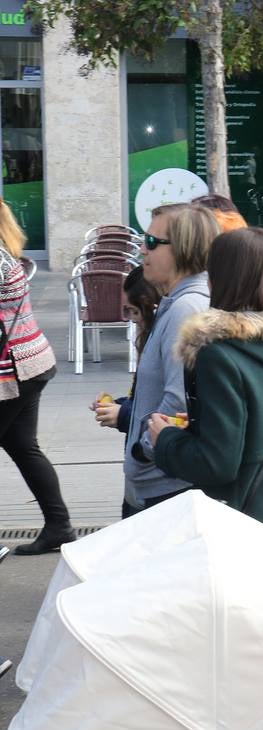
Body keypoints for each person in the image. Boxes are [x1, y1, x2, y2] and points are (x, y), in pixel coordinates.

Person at [147, 228, 263, 551]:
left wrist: (165, 440)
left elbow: (217, 463)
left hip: (254, 534)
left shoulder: (220, 355)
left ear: (221, 280)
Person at [123, 204, 218, 511]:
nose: (142, 250)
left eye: (151, 242)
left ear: (183, 249)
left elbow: (178, 401)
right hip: (160, 478)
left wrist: (143, 450)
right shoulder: (175, 302)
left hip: (167, 486)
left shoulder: (185, 309)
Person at [0, 200, 76, 555]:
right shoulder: (6, 254)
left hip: (15, 371)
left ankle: (59, 525)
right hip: (33, 362)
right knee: (22, 446)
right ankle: (59, 526)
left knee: (24, 447)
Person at [89, 266, 161, 518]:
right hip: (141, 468)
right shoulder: (150, 336)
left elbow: (167, 411)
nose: (130, 319)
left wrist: (122, 414)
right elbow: (144, 398)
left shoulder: (163, 337)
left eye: (132, 311)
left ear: (151, 307)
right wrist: (118, 405)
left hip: (155, 471)